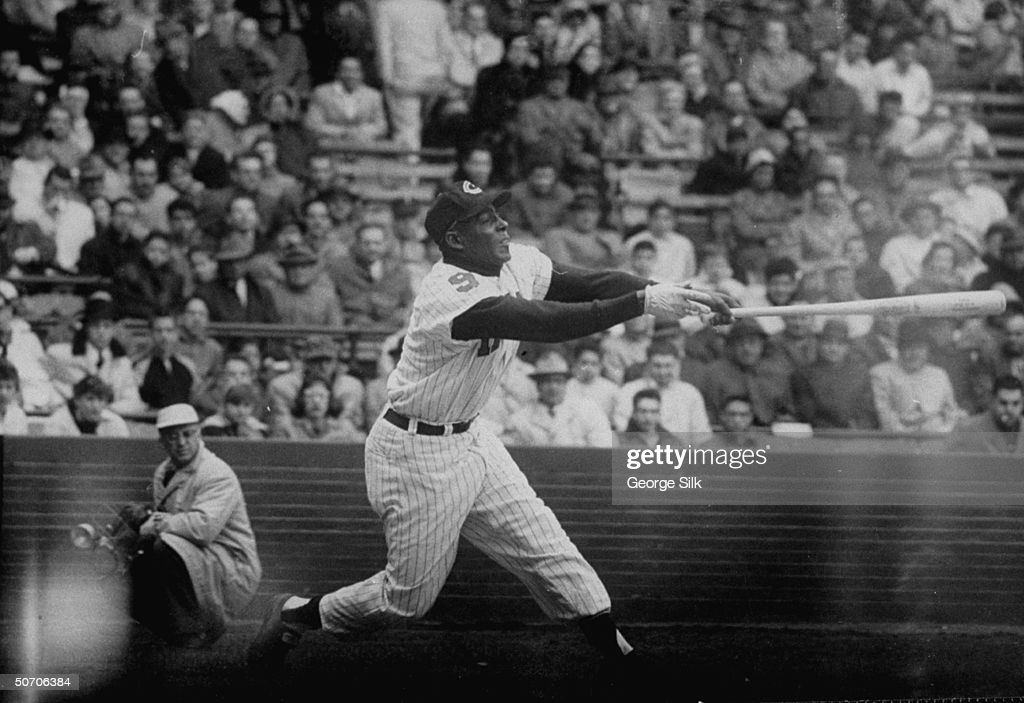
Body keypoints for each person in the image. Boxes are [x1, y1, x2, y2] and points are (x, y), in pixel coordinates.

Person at [247, 180, 734, 677]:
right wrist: (645, 303)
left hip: (472, 437)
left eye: (497, 213)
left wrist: (667, 291)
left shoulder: (511, 260)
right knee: (403, 604)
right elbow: (547, 323)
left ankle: (625, 660)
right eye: (484, 219)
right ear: (456, 239)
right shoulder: (448, 293)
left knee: (548, 546)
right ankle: (295, 613)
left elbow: (586, 284)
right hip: (415, 453)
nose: (501, 222)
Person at [131, 403, 261, 647]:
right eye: (172, 436)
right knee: (139, 546)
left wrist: (153, 523)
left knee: (164, 545)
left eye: (188, 434)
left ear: (199, 434)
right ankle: (167, 626)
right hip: (199, 558)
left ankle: (192, 631)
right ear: (162, 441)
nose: (181, 442)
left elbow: (203, 529)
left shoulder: (215, 472)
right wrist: (144, 518)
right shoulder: (164, 471)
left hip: (232, 565)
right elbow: (169, 519)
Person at [502, 350, 614, 447]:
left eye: (558, 381)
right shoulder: (521, 418)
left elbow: (602, 447)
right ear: (538, 385)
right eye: (546, 381)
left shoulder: (588, 410)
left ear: (566, 383)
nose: (553, 387)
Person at [869, 317, 961, 433]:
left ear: (927, 350)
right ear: (899, 349)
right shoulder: (880, 373)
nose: (914, 353)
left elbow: (951, 412)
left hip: (938, 440)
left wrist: (943, 432)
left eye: (920, 348)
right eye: (908, 348)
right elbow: (885, 414)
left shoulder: (939, 374)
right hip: (899, 440)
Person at [134, 311, 200, 411]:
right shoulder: (141, 368)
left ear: (177, 333)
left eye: (169, 330)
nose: (164, 336)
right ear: (151, 334)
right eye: (159, 331)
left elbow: (195, 398)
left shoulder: (188, 365)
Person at [270, 376, 366, 442]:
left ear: (329, 400)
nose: (316, 401)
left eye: (321, 396)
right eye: (310, 396)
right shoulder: (289, 430)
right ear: (301, 400)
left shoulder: (342, 430)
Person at [948, 375, 1024, 454]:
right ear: (993, 401)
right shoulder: (966, 429)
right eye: (1003, 403)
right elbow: (946, 462)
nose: (1009, 410)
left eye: (1015, 403)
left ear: (1022, 404)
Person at [43, 375, 131, 437]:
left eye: (100, 399)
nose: (96, 406)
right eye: (90, 399)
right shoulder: (56, 422)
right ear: (77, 400)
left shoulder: (116, 423)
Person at [201, 383, 269, 438]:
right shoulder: (211, 425)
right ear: (224, 404)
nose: (240, 410)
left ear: (253, 407)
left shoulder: (255, 426)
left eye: (246, 405)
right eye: (235, 404)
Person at [0, 359, 29, 435]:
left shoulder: (19, 415)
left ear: (15, 390)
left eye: (9, 387)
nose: (3, 393)